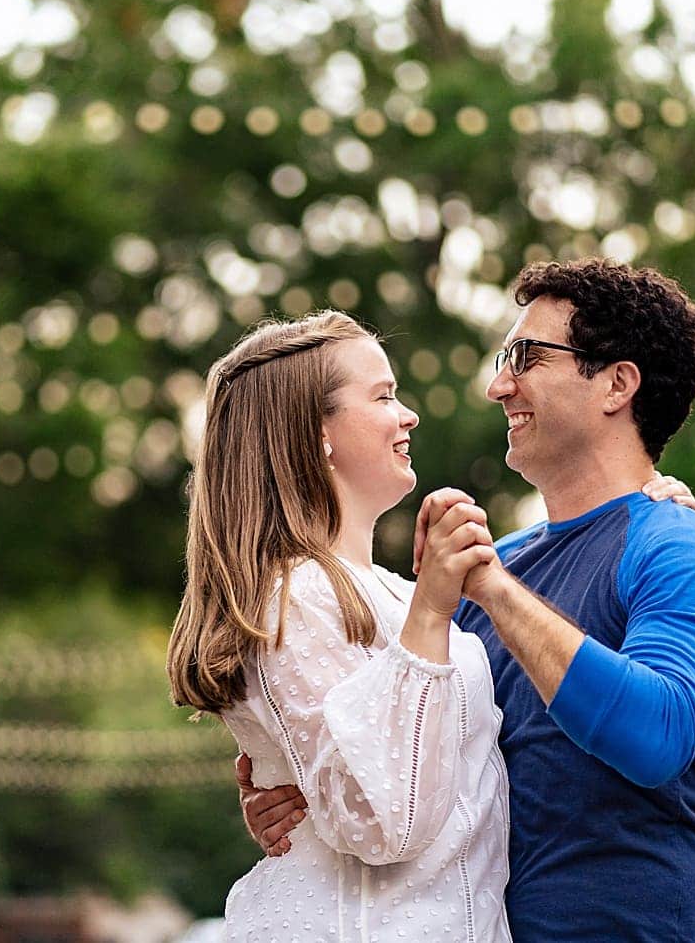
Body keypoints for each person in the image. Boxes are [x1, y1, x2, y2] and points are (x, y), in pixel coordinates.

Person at [246, 259, 695, 942]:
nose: (498, 385)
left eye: (527, 357)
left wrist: (490, 590)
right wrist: (289, 775)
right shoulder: (492, 570)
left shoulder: (685, 554)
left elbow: (655, 736)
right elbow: (406, 744)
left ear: (617, 383)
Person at [166, 311, 512, 941]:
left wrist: (645, 502)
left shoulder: (386, 593)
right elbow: (384, 823)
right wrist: (433, 611)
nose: (407, 415)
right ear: (314, 432)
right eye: (382, 396)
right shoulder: (294, 598)